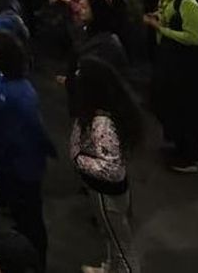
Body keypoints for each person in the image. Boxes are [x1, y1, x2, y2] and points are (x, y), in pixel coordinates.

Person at [0, 29, 54, 268]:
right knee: (19, 213)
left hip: (22, 168)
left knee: (30, 217)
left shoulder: (22, 94)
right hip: (6, 164)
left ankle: (36, 259)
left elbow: (33, 133)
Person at [69, 58, 142, 273]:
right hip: (106, 192)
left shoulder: (102, 123)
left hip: (106, 193)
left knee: (121, 244)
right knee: (111, 235)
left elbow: (113, 169)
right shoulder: (112, 107)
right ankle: (111, 268)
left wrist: (78, 159)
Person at [146, 0, 198, 173]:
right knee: (171, 105)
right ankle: (180, 147)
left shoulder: (187, 2)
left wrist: (160, 28)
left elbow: (193, 37)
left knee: (186, 109)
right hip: (170, 59)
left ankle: (192, 157)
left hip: (186, 65)